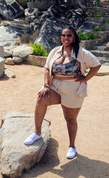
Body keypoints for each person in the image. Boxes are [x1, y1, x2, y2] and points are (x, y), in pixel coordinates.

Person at [24, 27, 101, 159]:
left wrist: (85, 78)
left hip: (73, 89)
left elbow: (96, 65)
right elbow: (47, 69)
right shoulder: (55, 51)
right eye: (63, 35)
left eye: (69, 35)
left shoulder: (81, 52)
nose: (66, 38)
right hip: (55, 86)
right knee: (41, 99)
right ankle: (37, 133)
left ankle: (72, 146)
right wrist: (45, 86)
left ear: (74, 37)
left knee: (70, 119)